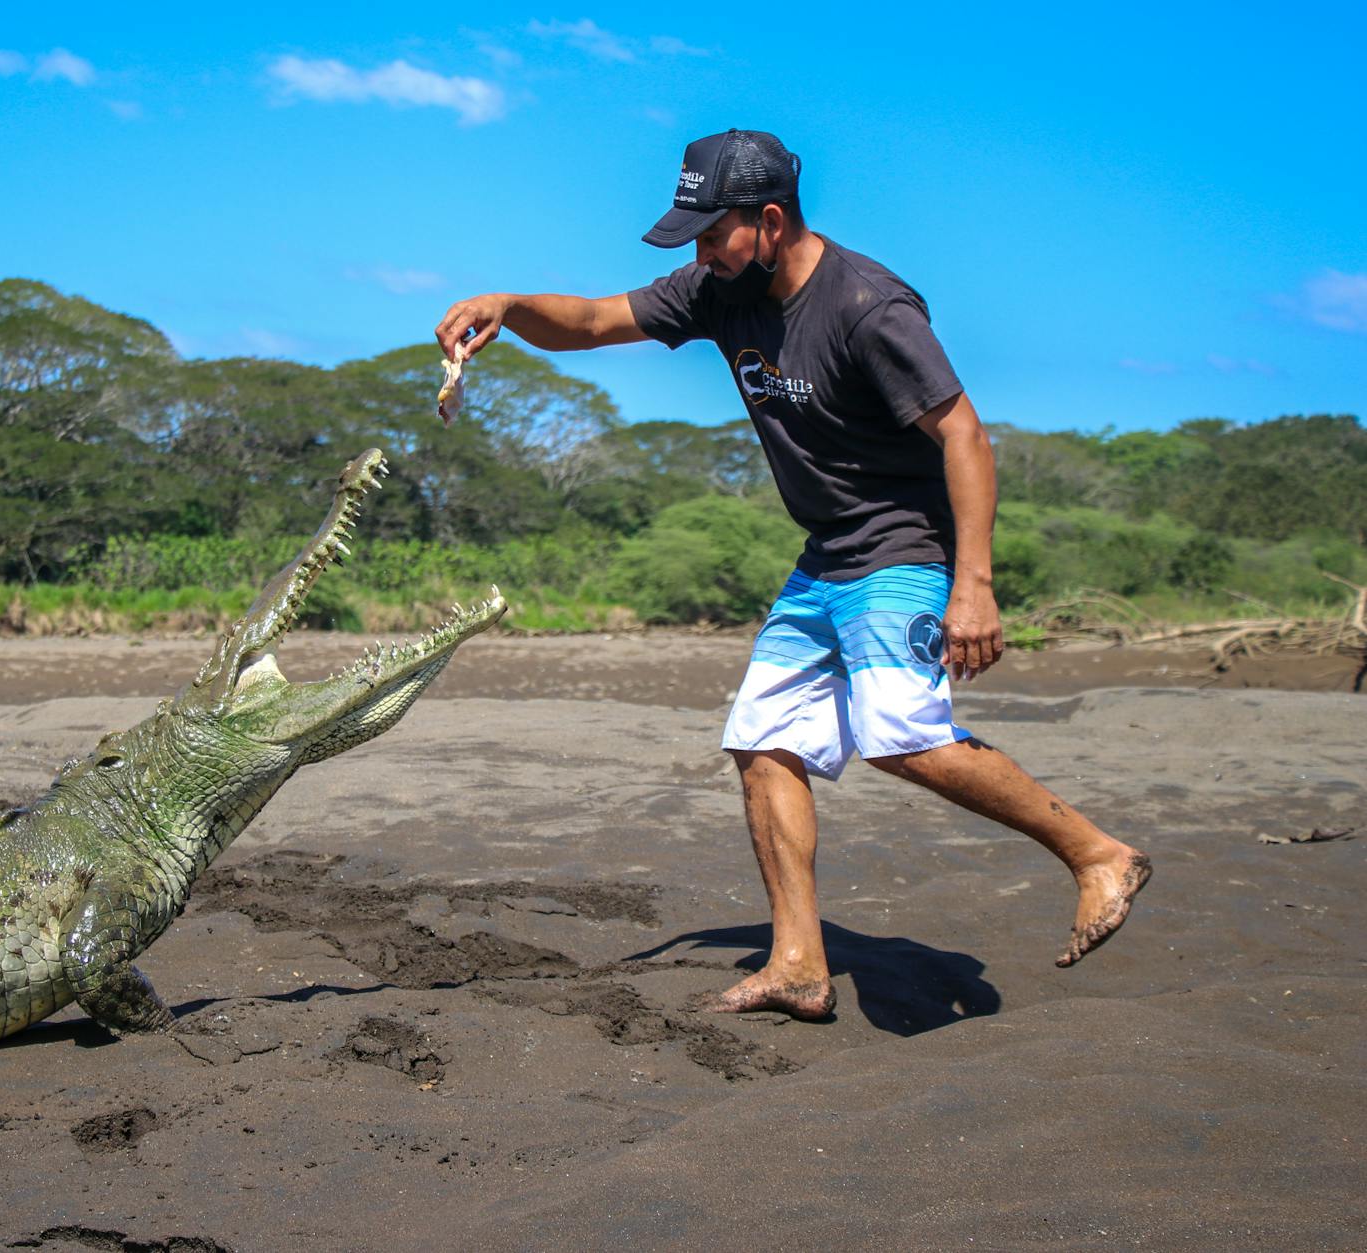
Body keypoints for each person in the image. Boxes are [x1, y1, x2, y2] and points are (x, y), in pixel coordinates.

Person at [435, 129, 1151, 1021]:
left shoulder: (869, 307)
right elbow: (588, 322)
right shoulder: (719, 289)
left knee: (898, 731)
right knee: (762, 737)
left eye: (711, 233)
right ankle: (800, 962)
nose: (698, 253)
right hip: (825, 558)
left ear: (769, 222)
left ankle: (1096, 852)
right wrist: (507, 303)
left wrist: (975, 582)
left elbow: (964, 434)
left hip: (903, 545)